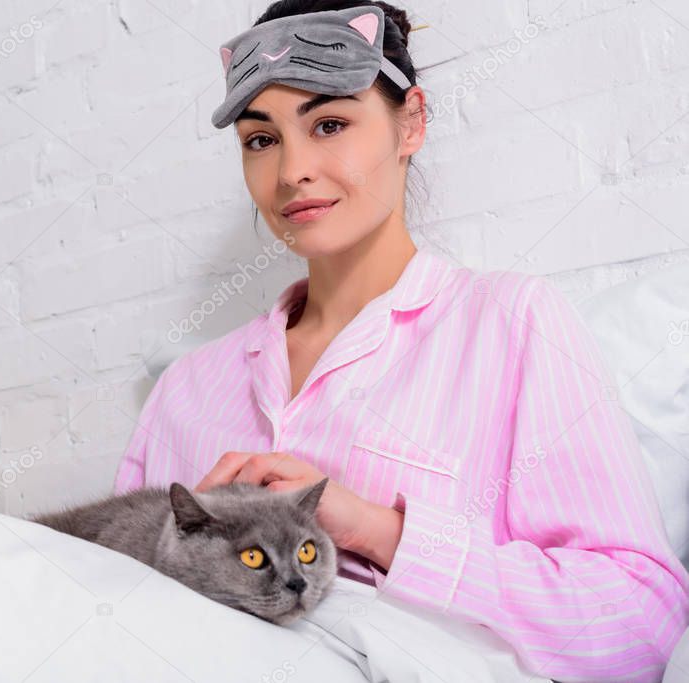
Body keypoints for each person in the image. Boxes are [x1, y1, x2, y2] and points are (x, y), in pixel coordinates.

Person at [112, 1, 689, 680]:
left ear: (409, 122)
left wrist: (378, 531)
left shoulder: (510, 323)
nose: (292, 169)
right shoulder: (188, 387)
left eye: (329, 123)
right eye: (260, 139)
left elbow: (639, 626)